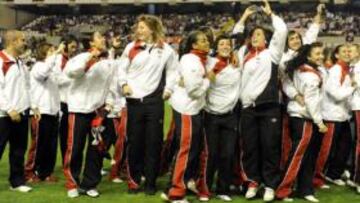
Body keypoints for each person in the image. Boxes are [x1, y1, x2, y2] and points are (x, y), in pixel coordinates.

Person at [232, 0, 288, 201]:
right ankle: (253, 182)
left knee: (270, 146)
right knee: (250, 147)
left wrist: (271, 14)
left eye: (259, 34)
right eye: (253, 34)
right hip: (248, 109)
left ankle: (270, 185)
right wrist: (244, 18)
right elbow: (234, 38)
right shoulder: (243, 54)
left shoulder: (272, 54)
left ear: (266, 38)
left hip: (269, 107)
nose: (255, 37)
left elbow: (281, 32)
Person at [118, 14, 178, 195]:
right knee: (134, 143)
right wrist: (124, 84)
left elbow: (173, 72)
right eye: (138, 27)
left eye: (142, 27)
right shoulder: (131, 47)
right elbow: (121, 68)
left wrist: (168, 89)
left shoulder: (166, 50)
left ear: (152, 29)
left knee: (154, 143)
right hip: (134, 102)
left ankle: (151, 182)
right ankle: (134, 181)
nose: (138, 30)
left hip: (154, 102)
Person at [63, 31, 115, 198]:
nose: (104, 39)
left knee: (97, 148)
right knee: (75, 149)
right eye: (100, 37)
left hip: (97, 112)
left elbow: (110, 84)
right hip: (79, 110)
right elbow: (71, 73)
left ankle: (89, 184)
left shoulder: (108, 62)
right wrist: (89, 58)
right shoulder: (81, 57)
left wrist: (108, 104)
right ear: (91, 43)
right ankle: (72, 183)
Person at [276, 43, 328, 202]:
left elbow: (286, 82)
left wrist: (293, 95)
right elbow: (311, 101)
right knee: (298, 155)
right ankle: (283, 190)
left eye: (322, 53)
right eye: (317, 54)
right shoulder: (309, 75)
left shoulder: (300, 69)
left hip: (301, 115)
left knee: (307, 155)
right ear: (308, 56)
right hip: (304, 117)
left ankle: (305, 189)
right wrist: (319, 122)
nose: (321, 56)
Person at [165, 30, 213, 203]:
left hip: (192, 109)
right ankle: (176, 193)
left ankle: (180, 183)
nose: (207, 42)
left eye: (207, 39)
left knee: (192, 149)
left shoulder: (201, 59)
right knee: (186, 150)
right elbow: (194, 91)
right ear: (194, 45)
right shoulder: (190, 60)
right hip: (187, 109)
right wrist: (208, 80)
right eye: (202, 40)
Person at [0, 30, 40, 192]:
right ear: (12, 42)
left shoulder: (20, 63)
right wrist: (9, 109)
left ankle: (17, 182)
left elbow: (27, 88)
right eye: (22, 40)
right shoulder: (1, 61)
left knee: (18, 151)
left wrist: (33, 105)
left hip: (22, 113)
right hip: (3, 115)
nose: (25, 43)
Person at [204, 35, 241, 202]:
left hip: (231, 116)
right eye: (222, 44)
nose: (225, 46)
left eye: (228, 44)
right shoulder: (209, 62)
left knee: (227, 154)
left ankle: (223, 189)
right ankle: (204, 188)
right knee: (210, 154)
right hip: (210, 115)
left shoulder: (237, 65)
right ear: (216, 47)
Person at [25, 42, 63, 183]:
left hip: (52, 111)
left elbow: (59, 86)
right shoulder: (38, 67)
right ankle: (30, 172)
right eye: (51, 51)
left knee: (51, 145)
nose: (54, 53)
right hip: (40, 111)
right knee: (38, 144)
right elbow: (43, 73)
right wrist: (55, 54)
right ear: (44, 53)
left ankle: (46, 172)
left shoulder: (51, 68)